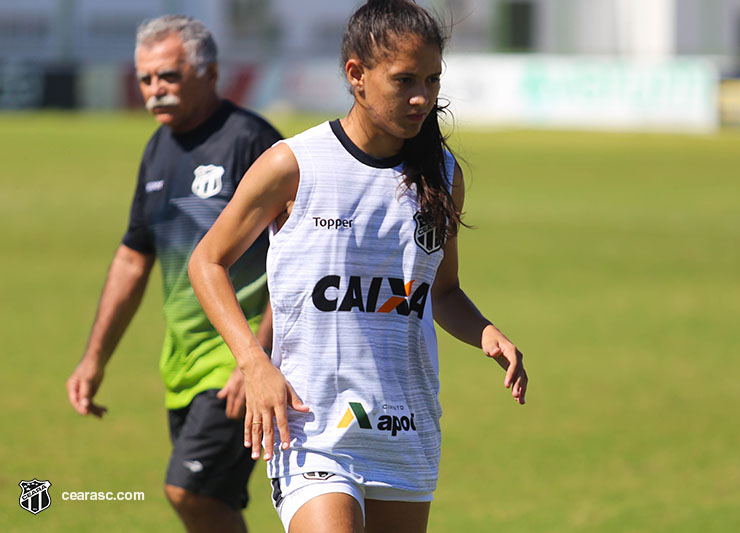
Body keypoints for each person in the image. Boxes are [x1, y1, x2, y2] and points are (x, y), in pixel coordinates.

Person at [188, 1, 528, 532]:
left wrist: (486, 332)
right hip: (313, 427)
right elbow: (207, 261)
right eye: (405, 80)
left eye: (433, 80)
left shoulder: (442, 174)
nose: (423, 98)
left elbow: (442, 292)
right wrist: (255, 363)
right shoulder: (293, 165)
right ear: (356, 75)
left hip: (406, 425)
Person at [66, 14, 282, 533]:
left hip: (237, 362)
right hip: (181, 368)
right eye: (145, 79)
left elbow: (298, 258)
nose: (154, 91)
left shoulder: (253, 143)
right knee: (207, 503)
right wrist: (95, 359)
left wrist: (256, 357)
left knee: (188, 490)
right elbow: (132, 256)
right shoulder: (158, 149)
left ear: (209, 73)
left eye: (168, 76)